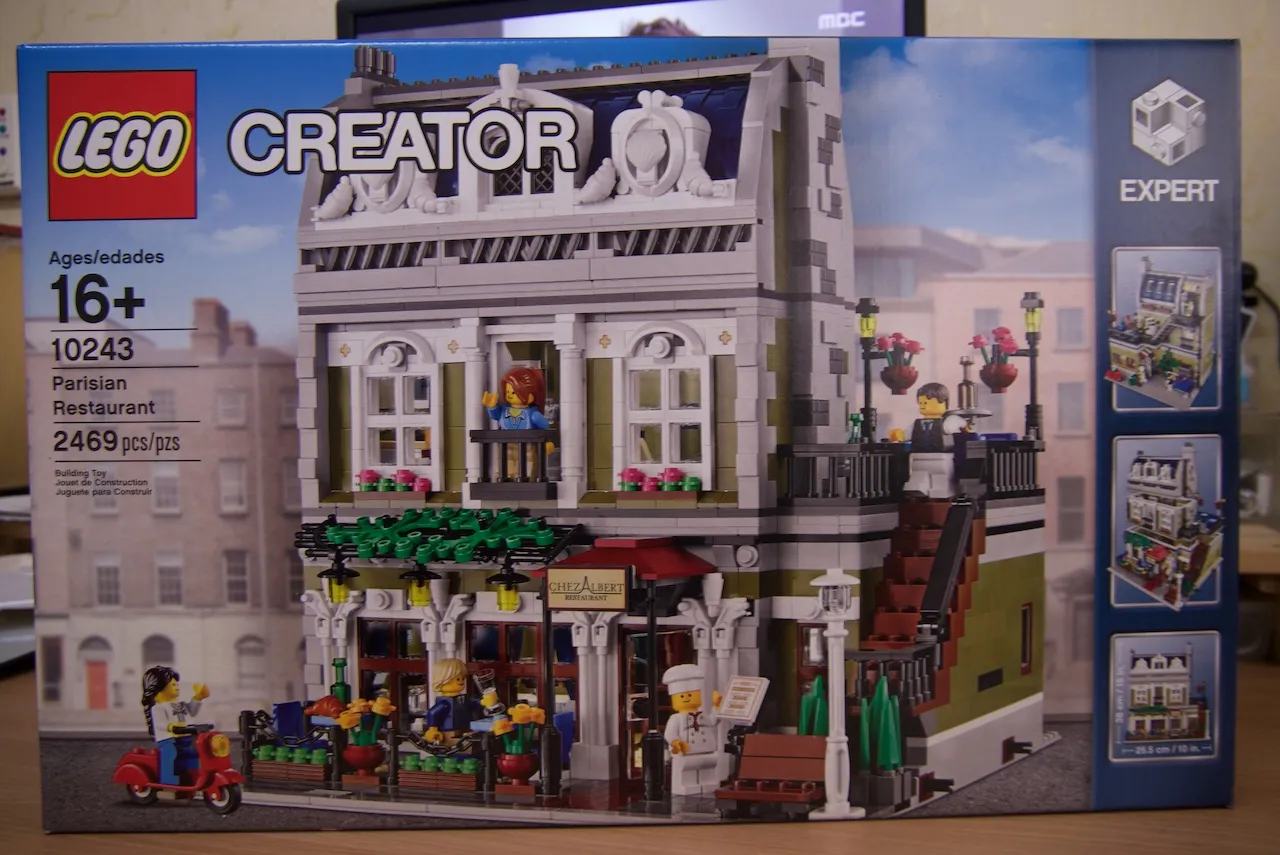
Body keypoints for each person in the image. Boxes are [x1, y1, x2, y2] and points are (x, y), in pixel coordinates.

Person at [889, 382, 965, 498]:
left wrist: (963, 425)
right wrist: (898, 435)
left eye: (927, 402)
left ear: (943, 401)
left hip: (942, 457)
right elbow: (906, 434)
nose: (923, 406)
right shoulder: (917, 423)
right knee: (918, 477)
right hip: (919, 457)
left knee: (940, 479)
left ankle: (941, 494)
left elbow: (954, 427)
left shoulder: (948, 421)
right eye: (921, 403)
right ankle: (917, 490)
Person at [662, 663, 724, 796]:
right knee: (687, 772)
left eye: (690, 694)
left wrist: (716, 707)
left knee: (707, 770)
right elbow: (670, 733)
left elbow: (713, 721)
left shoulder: (703, 715)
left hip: (706, 751)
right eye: (682, 696)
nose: (686, 698)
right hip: (686, 752)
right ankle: (686, 787)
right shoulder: (676, 718)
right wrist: (676, 742)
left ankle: (707, 784)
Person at [141, 666, 210, 786]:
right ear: (159, 688)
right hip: (168, 740)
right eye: (173, 684)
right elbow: (160, 723)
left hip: (184, 738)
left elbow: (192, 711)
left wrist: (198, 698)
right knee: (170, 753)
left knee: (192, 754)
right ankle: (168, 781)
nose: (177, 686)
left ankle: (192, 776)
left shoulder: (179, 704)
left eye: (177, 684)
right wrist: (171, 727)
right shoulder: (158, 708)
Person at [423, 658, 500, 751]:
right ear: (443, 679)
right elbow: (432, 713)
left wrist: (485, 701)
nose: (461, 681)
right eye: (458, 679)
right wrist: (432, 730)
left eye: (462, 678)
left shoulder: (463, 698)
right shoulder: (445, 702)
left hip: (466, 731)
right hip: (449, 735)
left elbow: (473, 704)